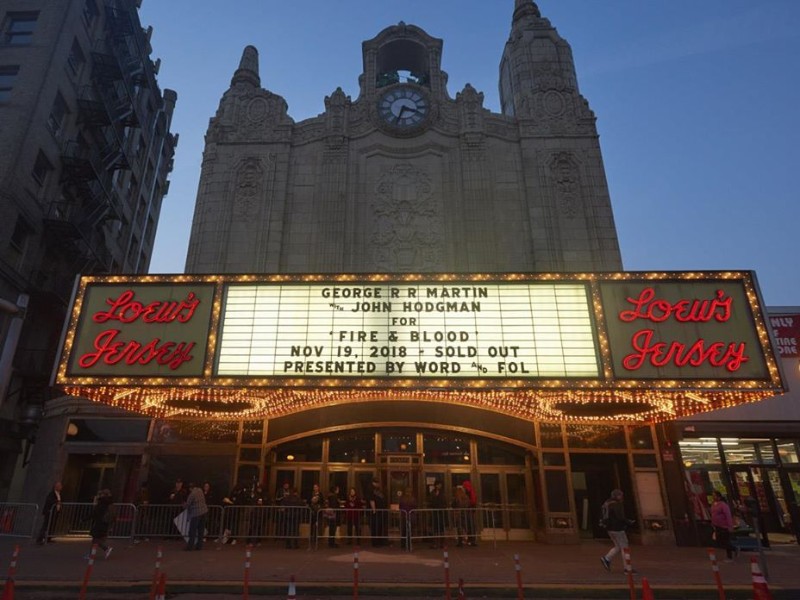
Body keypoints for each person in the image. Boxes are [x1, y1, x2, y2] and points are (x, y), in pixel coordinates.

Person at [600, 489, 633, 572]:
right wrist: (628, 522)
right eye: (621, 495)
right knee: (625, 547)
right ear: (618, 496)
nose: (622, 497)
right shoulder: (617, 504)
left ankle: (607, 558)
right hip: (618, 528)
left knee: (618, 546)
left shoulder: (607, 503)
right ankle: (627, 568)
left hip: (609, 528)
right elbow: (620, 517)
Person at [86, 489, 115, 560]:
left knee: (96, 539)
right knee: (97, 539)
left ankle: (106, 549)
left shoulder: (102, 503)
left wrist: (85, 519)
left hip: (100, 522)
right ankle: (91, 554)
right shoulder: (110, 503)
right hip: (105, 523)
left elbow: (95, 513)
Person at [711, 491, 736, 561]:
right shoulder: (713, 504)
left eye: (714, 495)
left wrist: (730, 526)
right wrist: (713, 523)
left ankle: (730, 555)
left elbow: (728, 515)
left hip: (724, 526)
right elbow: (713, 514)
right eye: (713, 495)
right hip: (717, 525)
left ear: (718, 497)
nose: (713, 497)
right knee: (720, 540)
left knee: (726, 541)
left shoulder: (723, 505)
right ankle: (733, 549)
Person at [184, 482, 208, 551]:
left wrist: (183, 505)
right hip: (204, 511)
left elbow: (187, 504)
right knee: (201, 530)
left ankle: (190, 546)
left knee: (192, 530)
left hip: (196, 513)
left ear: (190, 488)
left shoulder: (192, 494)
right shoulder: (200, 490)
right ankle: (199, 546)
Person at [367, 477, 388, 547]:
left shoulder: (376, 489)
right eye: (377, 483)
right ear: (374, 483)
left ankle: (379, 541)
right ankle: (375, 542)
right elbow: (371, 500)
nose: (378, 484)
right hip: (376, 513)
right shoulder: (371, 489)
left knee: (379, 527)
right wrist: (374, 510)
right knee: (375, 527)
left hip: (380, 512)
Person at [428, 481, 447, 549]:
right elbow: (430, 501)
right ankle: (435, 543)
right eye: (438, 485)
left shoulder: (443, 493)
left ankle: (442, 543)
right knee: (435, 528)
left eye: (440, 485)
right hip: (435, 513)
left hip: (441, 512)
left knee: (441, 529)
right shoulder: (433, 493)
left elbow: (444, 502)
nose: (439, 486)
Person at [461, 480, 478, 546]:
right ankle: (471, 539)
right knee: (470, 525)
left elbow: (471, 501)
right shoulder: (471, 491)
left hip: (469, 511)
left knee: (469, 525)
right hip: (470, 510)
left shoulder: (468, 492)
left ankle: (471, 539)